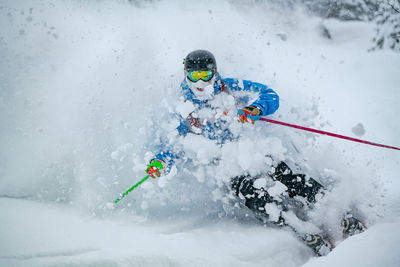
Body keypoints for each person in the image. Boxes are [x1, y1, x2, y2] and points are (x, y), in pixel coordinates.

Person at [144, 50, 366, 256]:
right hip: (227, 166)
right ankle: (298, 227)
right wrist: (160, 162)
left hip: (253, 152)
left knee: (288, 178)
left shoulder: (231, 87)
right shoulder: (183, 107)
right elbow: (170, 143)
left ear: (215, 72)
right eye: (195, 76)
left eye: (205, 74)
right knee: (251, 194)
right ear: (186, 75)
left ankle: (340, 214)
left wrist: (256, 109)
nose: (201, 82)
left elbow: (269, 94)